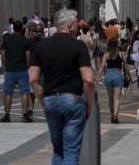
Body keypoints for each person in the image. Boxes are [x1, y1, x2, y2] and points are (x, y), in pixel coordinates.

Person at [29, 9, 95, 165]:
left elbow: (33, 79)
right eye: (77, 23)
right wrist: (89, 105)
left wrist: (43, 102)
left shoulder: (41, 46)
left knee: (58, 149)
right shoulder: (78, 46)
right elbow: (89, 79)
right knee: (71, 150)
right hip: (72, 99)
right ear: (71, 25)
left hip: (51, 99)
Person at [0, 20, 33, 123]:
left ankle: (7, 115)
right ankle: (24, 115)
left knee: (8, 93)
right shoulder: (25, 41)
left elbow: (3, 55)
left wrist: (6, 66)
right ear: (22, 28)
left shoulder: (6, 40)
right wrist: (27, 66)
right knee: (25, 92)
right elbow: (28, 56)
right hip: (22, 69)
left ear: (13, 27)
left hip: (10, 70)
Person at [96, 38, 126, 123]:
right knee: (117, 98)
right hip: (118, 74)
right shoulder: (121, 53)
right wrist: (130, 76)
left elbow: (102, 67)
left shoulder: (106, 54)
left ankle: (112, 115)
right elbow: (126, 66)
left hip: (108, 75)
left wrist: (98, 77)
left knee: (110, 98)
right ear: (117, 44)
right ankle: (115, 116)